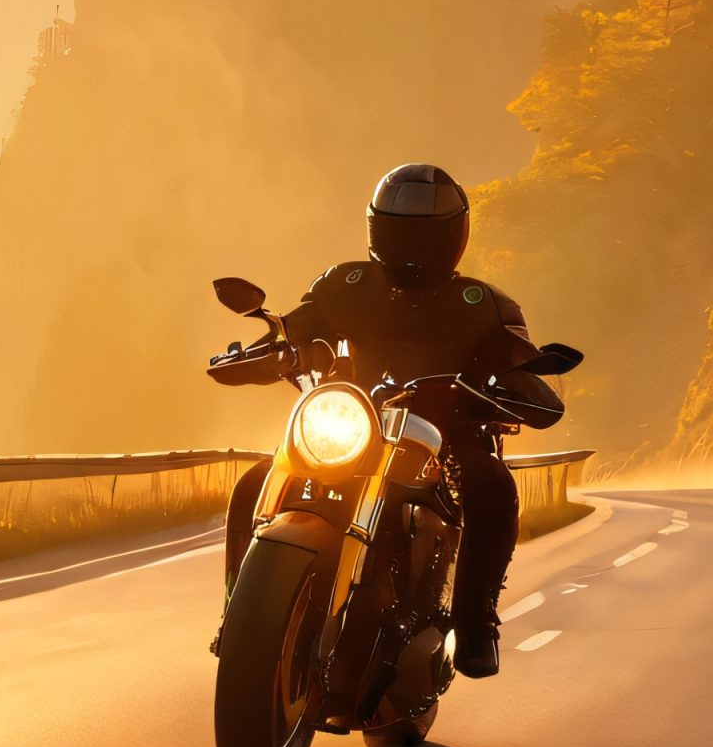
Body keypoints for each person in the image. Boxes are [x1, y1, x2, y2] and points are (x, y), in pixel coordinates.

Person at [218, 162, 557, 678]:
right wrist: (281, 349)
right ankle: (239, 616)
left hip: (445, 443)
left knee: (491, 484)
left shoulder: (483, 304)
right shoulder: (344, 283)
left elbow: (519, 361)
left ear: (452, 233)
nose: (412, 240)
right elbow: (301, 324)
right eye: (401, 227)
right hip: (356, 426)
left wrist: (516, 387)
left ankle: (475, 621)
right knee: (253, 484)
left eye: (425, 229)